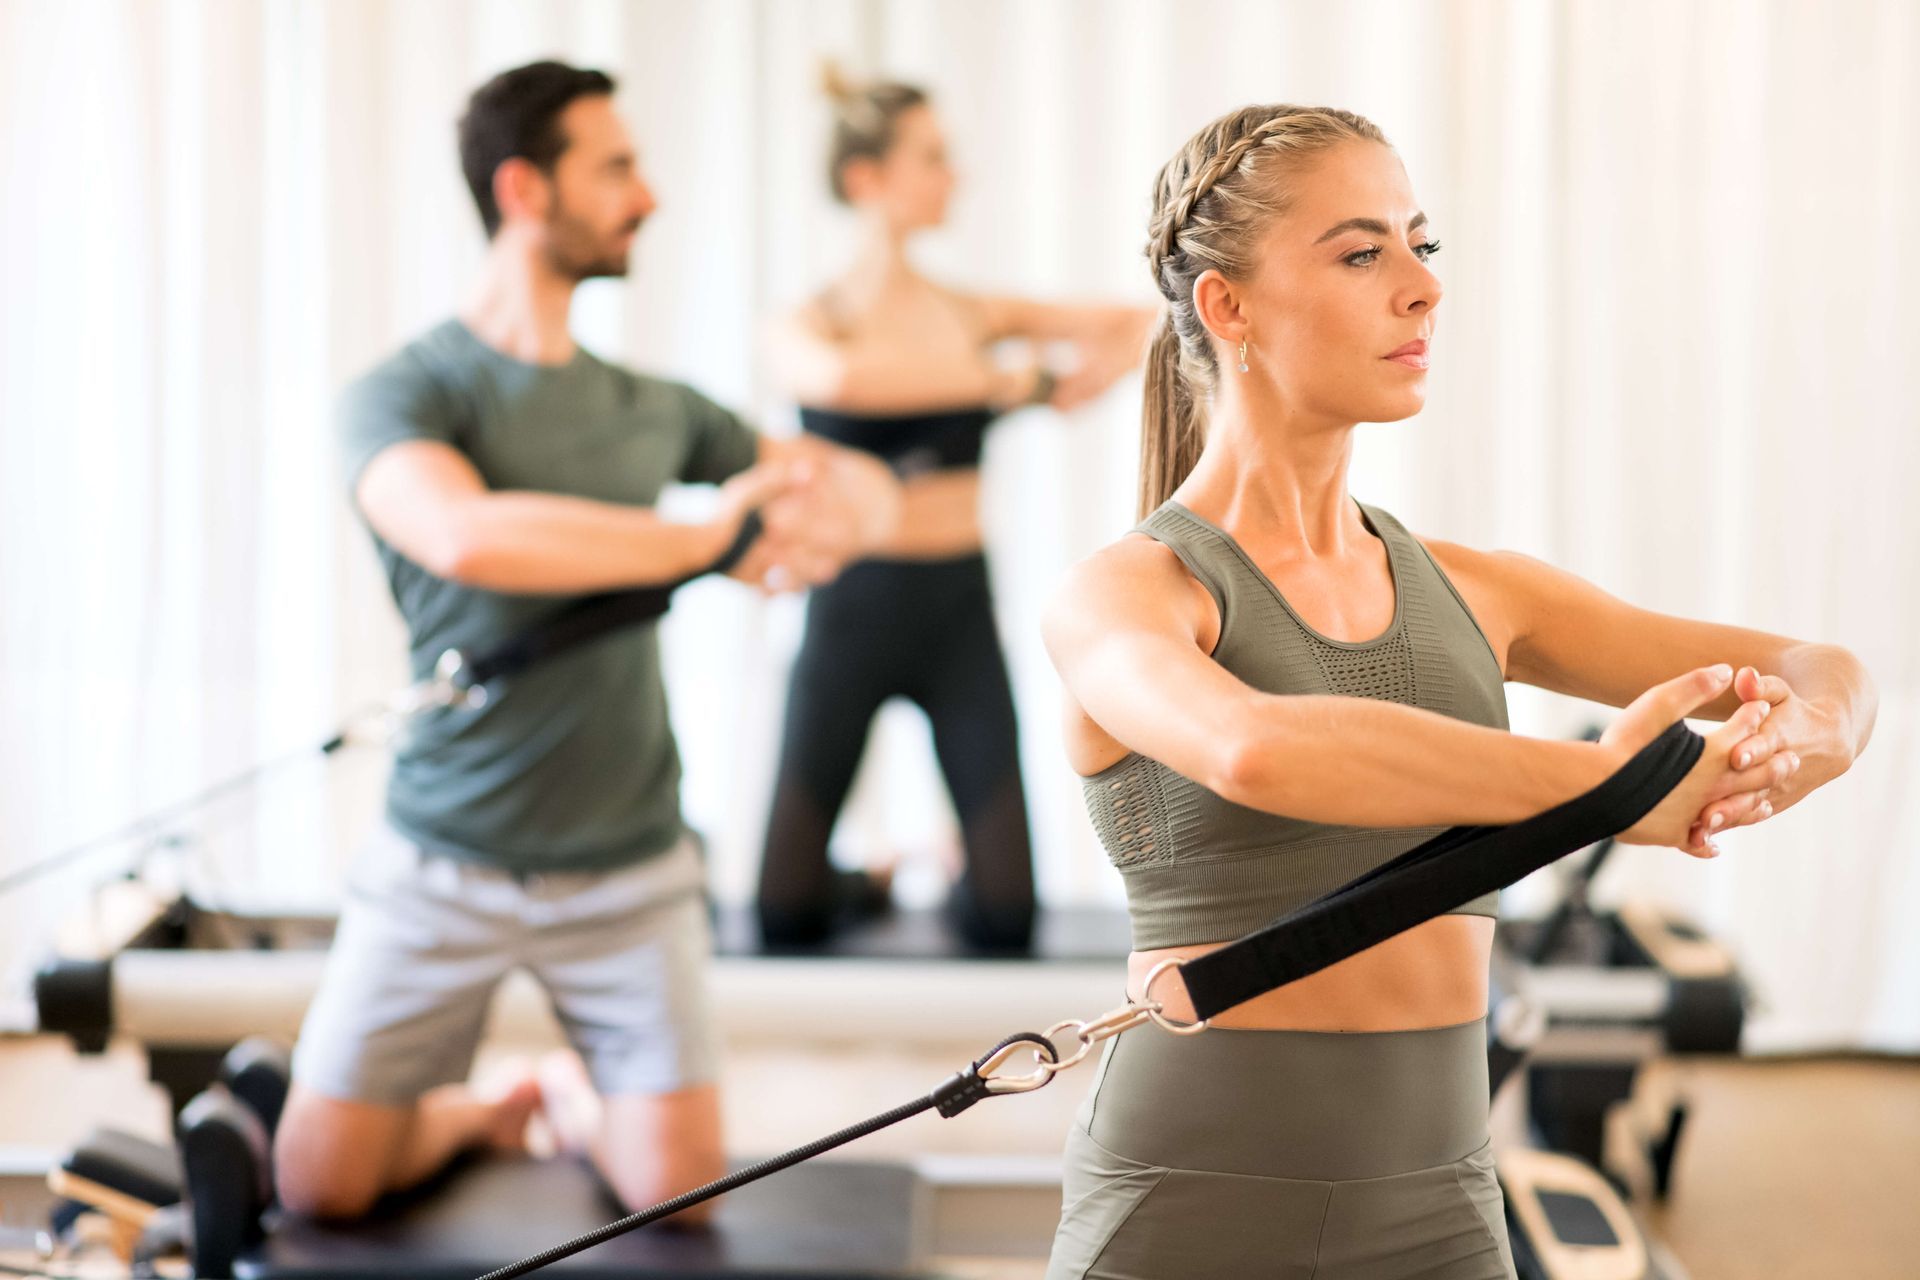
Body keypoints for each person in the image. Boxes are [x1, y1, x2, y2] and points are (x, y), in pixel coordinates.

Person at [1040, 103, 1876, 1279]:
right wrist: (1611, 787)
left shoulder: (1480, 590)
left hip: (1437, 1200)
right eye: (1361, 251)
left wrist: (1824, 726)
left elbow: (1816, 664)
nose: (1423, 287)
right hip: (1189, 1191)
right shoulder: (1128, 591)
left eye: (1421, 245)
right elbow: (1254, 749)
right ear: (1228, 305)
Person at [274, 60, 901, 1223]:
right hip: (439, 860)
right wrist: (705, 536)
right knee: (315, 1184)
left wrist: (825, 516)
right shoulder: (403, 392)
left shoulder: (654, 406)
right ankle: (489, 1106)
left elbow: (851, 486)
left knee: (683, 1194)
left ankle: (572, 1089)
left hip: (631, 869)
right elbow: (465, 534)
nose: (647, 196)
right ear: (523, 189)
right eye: (616, 167)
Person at [754, 65, 1155, 952]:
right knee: (783, 913)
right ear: (867, 180)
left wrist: (1066, 383)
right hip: (849, 613)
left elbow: (1138, 322)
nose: (954, 177)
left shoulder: (971, 312)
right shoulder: (813, 320)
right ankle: (875, 877)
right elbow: (843, 382)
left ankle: (942, 860)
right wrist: (1014, 381)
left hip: (956, 614)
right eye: (932, 158)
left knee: (1007, 917)